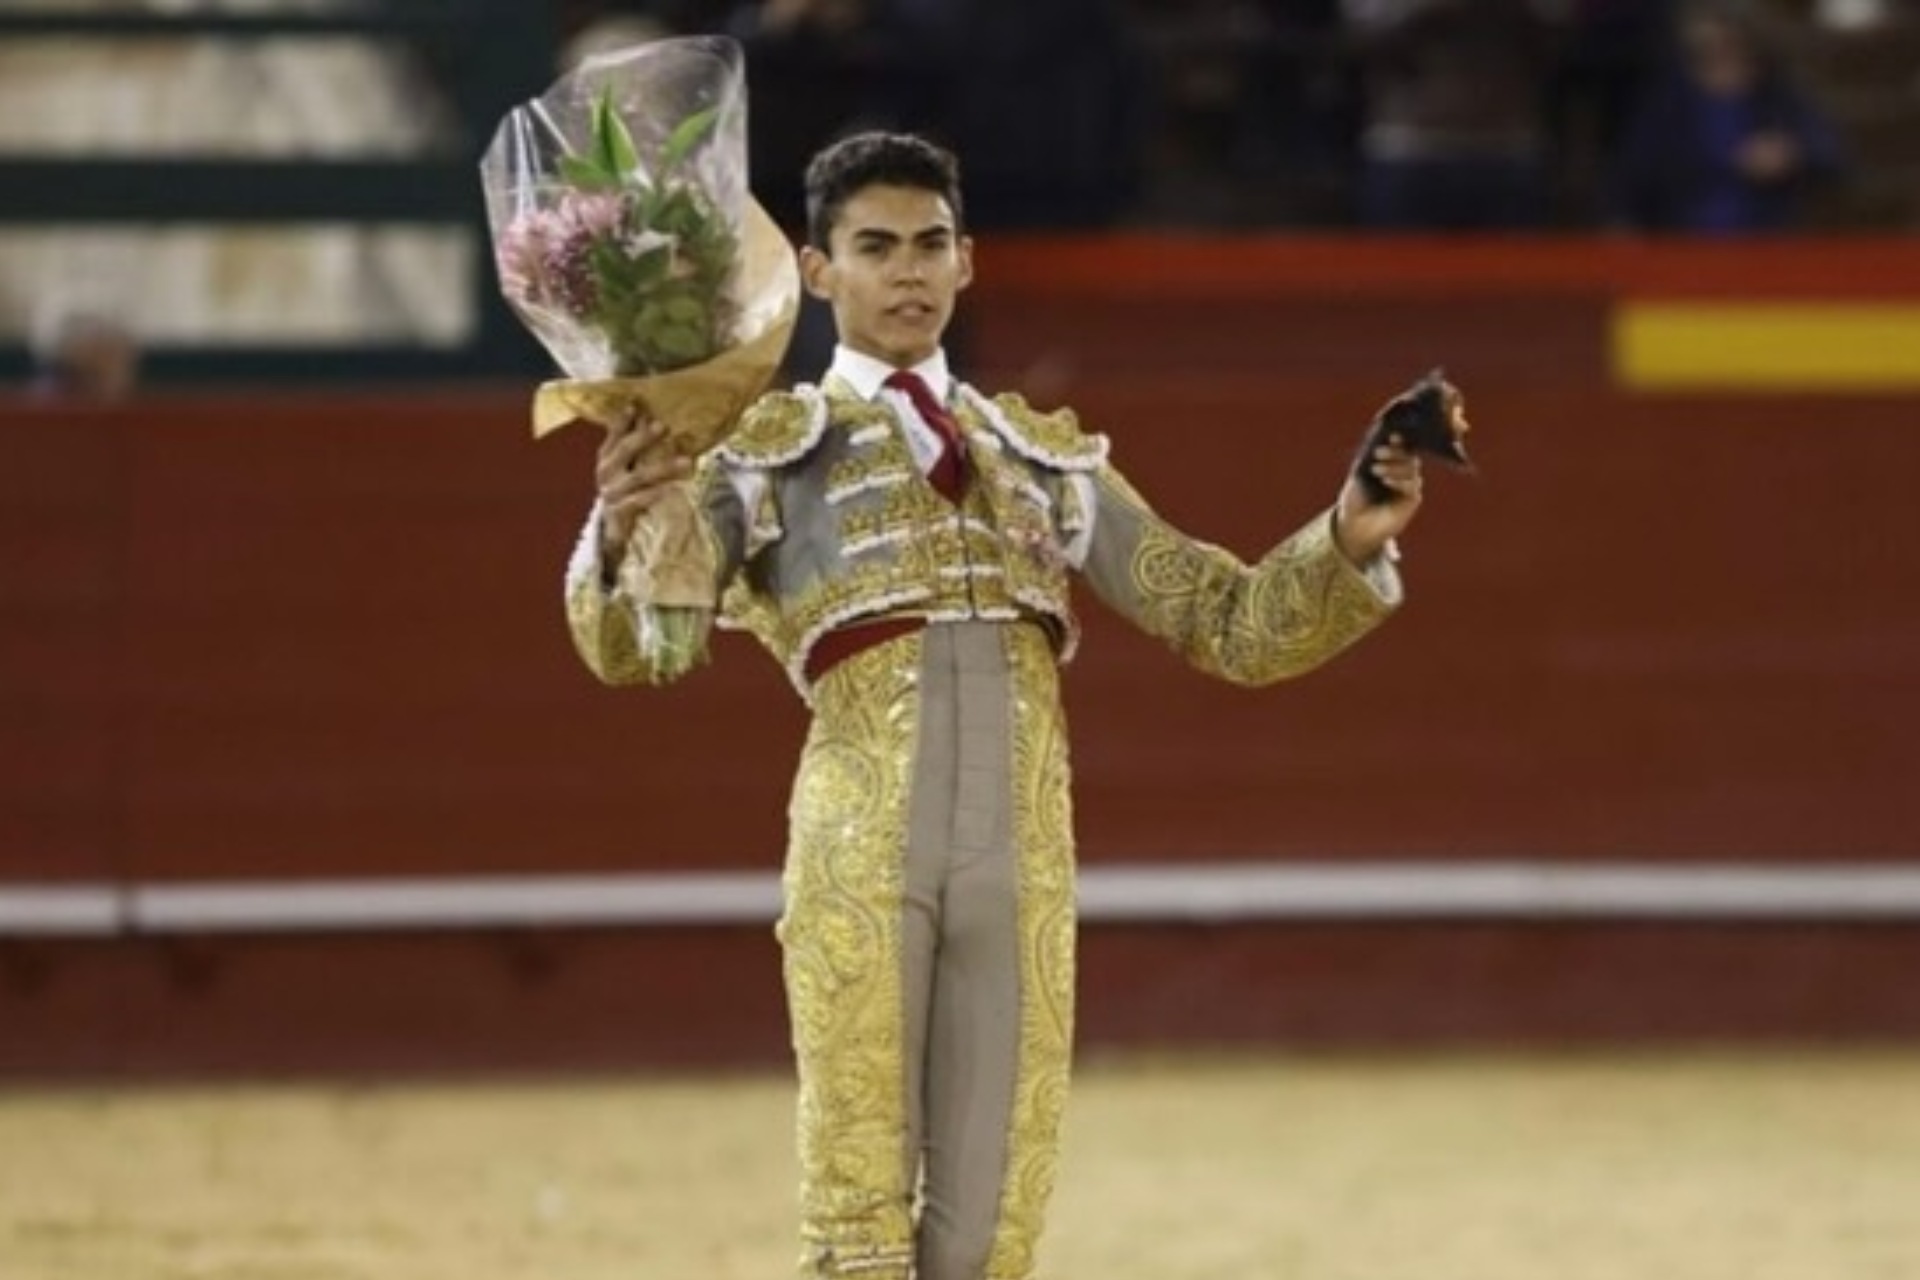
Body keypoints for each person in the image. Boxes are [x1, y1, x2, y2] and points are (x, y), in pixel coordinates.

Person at [561, 132, 1429, 1280]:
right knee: (860, 1217)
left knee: (985, 1229)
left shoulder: (1045, 460)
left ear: (967, 261)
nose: (908, 272)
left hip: (1021, 857)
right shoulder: (758, 458)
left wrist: (1349, 536)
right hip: (860, 854)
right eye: (876, 248)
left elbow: (1227, 621)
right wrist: (625, 523)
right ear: (819, 272)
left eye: (930, 245)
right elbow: (642, 649)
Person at [1613, 0, 1845, 232]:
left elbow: (1830, 153)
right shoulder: (1669, 97)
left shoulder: (1776, 95)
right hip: (1683, 239)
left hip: (1763, 240)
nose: (1718, 45)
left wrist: (1790, 152)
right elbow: (1634, 171)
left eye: (1727, 36)